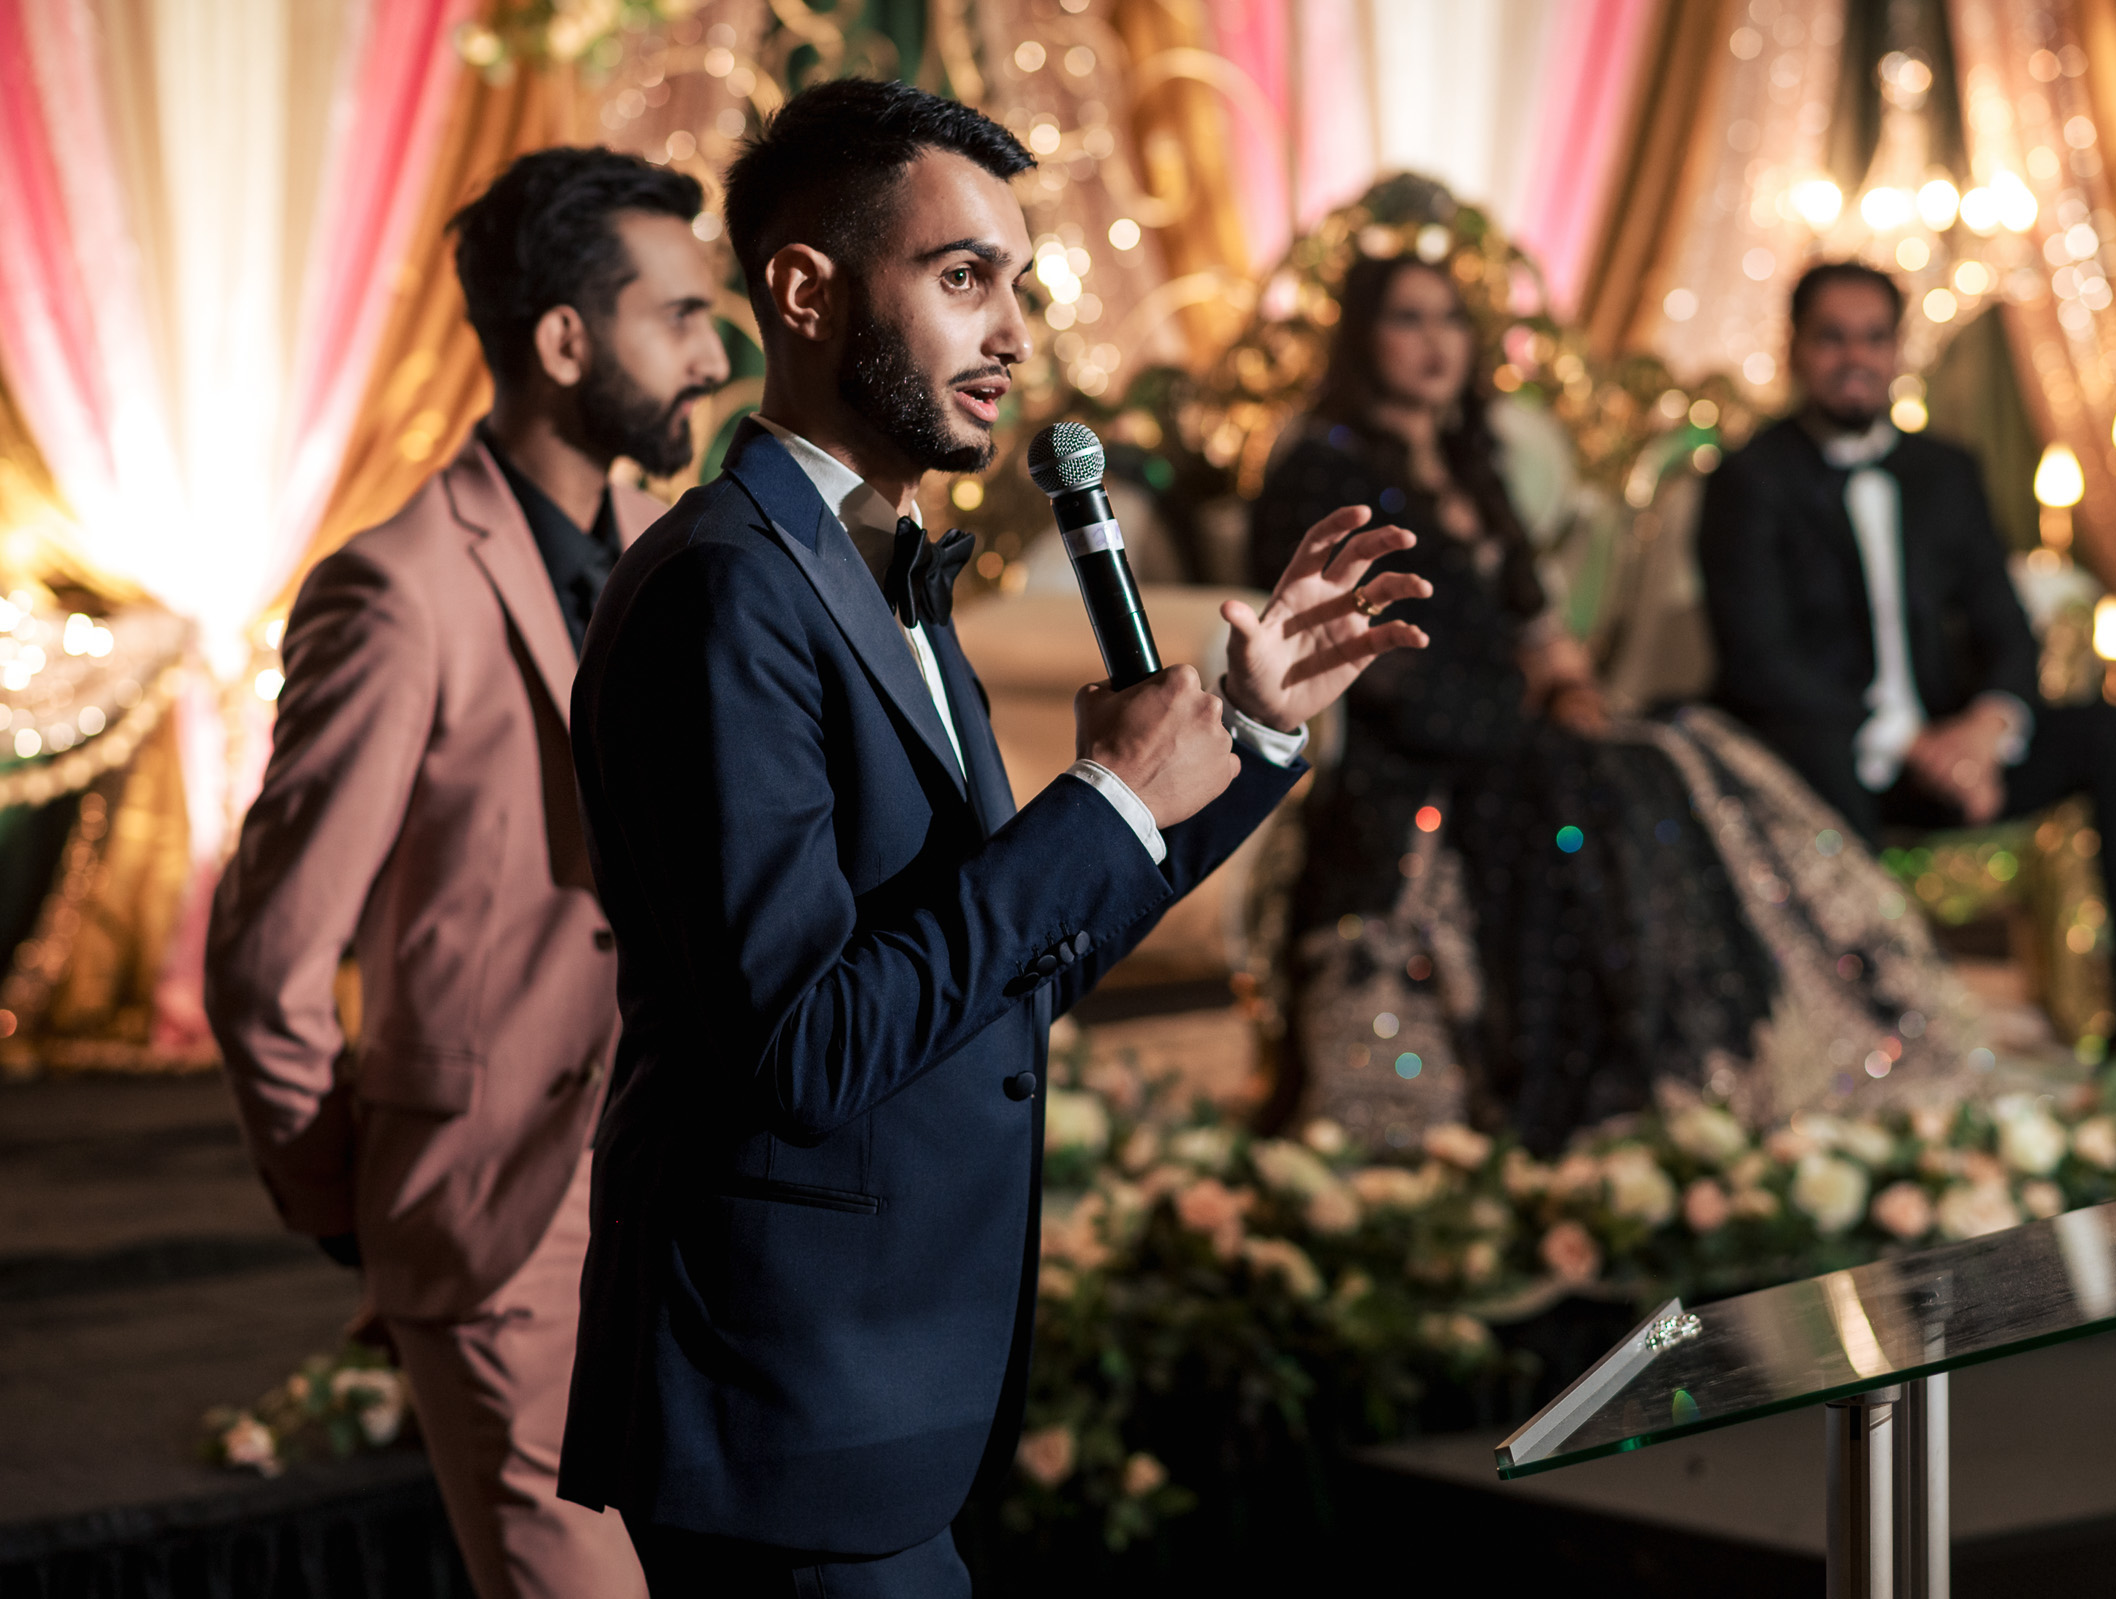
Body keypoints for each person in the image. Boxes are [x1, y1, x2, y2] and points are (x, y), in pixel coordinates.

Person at [555, 81, 1426, 1598]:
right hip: (789, 1402)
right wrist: (1097, 801)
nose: (1014, 332)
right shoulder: (725, 589)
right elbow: (805, 1044)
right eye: (963, 278)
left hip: (891, 1391)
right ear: (810, 291)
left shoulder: (882, 574)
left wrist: (1251, 734)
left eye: (1018, 284)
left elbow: (1005, 965)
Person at [206, 146, 731, 1599]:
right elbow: (269, 958)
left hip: (691, 1204)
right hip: (502, 1211)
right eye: (680, 315)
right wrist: (354, 1196)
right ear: (566, 339)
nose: (713, 353)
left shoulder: (683, 561)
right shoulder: (396, 586)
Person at [1249, 247, 1978, 1151]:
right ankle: (1603, 1080)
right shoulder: (1323, 470)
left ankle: (1720, 1052)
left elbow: (1531, 623)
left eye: (1449, 320)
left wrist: (1564, 682)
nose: (1433, 343)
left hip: (1517, 723)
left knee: (1675, 752)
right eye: (1406, 319)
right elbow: (1346, 650)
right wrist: (1519, 707)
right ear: (1363, 339)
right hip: (1420, 743)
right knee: (1588, 784)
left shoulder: (1474, 464)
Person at [1698, 261, 2116, 1052]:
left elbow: (2005, 627)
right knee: (1804, 740)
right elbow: (1759, 660)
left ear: (1898, 351)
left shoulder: (1945, 472)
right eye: (1833, 338)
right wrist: (1913, 742)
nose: (1856, 357)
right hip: (1828, 758)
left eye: (1874, 338)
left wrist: (1987, 727)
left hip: (1952, 755)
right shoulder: (1748, 479)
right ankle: (1880, 1032)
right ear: (1795, 350)